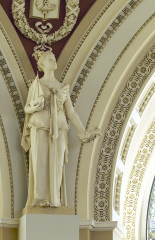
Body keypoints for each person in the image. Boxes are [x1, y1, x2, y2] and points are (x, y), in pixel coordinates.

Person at [21, 49, 99, 208]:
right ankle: (39, 198)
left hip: (60, 127)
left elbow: (70, 111)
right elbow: (27, 109)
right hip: (40, 125)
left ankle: (54, 198)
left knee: (57, 163)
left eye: (53, 57)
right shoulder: (36, 85)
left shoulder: (63, 87)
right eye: (49, 59)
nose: (53, 60)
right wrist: (34, 107)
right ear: (42, 65)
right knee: (39, 161)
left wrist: (82, 131)